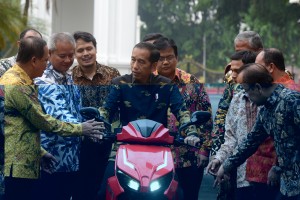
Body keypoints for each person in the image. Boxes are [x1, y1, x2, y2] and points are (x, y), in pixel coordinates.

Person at [0, 37, 103, 200]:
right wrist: (82, 129)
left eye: (71, 55)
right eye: (45, 60)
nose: (46, 64)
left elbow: (20, 126)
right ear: (34, 60)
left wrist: (39, 152)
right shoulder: (16, 83)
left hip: (37, 159)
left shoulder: (27, 79)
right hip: (18, 165)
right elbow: (43, 120)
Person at [215, 63, 300, 200]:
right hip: (287, 186)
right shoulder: (266, 111)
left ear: (258, 88)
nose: (246, 96)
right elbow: (251, 142)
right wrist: (226, 166)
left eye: (247, 91)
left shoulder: (291, 101)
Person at [207, 50, 284, 200]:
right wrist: (221, 161)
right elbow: (239, 141)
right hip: (245, 178)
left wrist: (278, 167)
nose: (233, 75)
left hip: (275, 179)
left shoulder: (280, 100)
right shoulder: (238, 99)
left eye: (237, 71)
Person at [153, 37, 213, 200]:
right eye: (160, 58)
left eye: (169, 57)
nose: (165, 62)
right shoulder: (147, 83)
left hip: (189, 156)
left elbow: (206, 118)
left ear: (177, 58)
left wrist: (204, 150)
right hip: (156, 157)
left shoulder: (191, 82)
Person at [210, 30, 264, 200]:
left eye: (237, 71)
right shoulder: (237, 95)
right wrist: (218, 157)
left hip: (268, 176)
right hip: (240, 173)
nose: (233, 75)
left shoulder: (275, 92)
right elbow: (228, 132)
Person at [72, 31, 120, 200]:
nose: (85, 54)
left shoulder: (112, 74)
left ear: (95, 49)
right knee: (81, 190)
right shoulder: (70, 78)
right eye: (80, 50)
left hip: (108, 143)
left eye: (89, 48)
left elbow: (119, 106)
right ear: (74, 53)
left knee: (105, 190)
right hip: (81, 143)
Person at [34, 32, 82, 200]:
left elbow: (76, 109)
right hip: (51, 159)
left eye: (71, 55)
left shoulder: (69, 77)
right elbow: (59, 114)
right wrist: (84, 128)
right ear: (50, 53)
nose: (68, 60)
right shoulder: (42, 79)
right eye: (62, 56)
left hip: (71, 158)